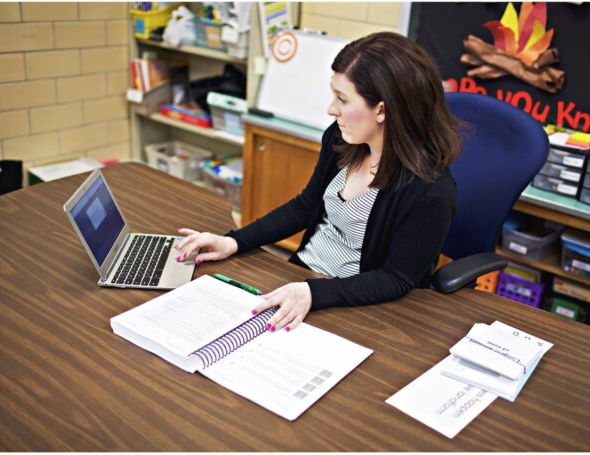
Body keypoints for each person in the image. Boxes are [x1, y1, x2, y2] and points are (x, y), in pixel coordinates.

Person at [173, 32, 463, 332]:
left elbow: (395, 278)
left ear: (382, 109)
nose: (331, 109)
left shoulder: (430, 191)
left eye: (343, 99)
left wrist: (312, 293)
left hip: (354, 307)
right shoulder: (341, 139)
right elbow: (306, 206)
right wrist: (234, 241)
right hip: (301, 280)